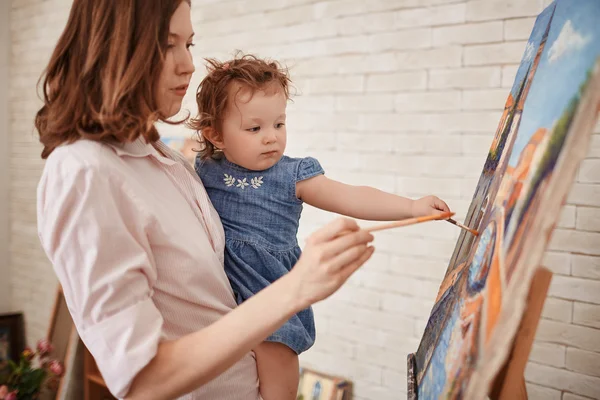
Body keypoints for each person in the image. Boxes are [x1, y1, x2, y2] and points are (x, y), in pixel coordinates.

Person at [34, 1, 374, 399]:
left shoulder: (166, 159)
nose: (187, 65)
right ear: (114, 49)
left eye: (189, 44)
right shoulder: (85, 172)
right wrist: (294, 288)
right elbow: (143, 380)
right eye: (167, 44)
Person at [190, 54, 451, 399]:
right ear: (216, 136)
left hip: (270, 290)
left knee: (277, 373)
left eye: (279, 124)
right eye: (255, 128)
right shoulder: (205, 168)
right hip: (218, 291)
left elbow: (351, 197)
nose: (271, 138)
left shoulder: (292, 175)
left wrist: (411, 207)